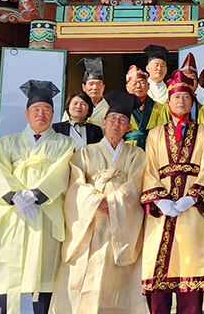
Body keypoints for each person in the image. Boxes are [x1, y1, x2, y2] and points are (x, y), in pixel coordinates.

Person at [0, 80, 74, 314]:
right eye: (36, 109)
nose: (42, 114)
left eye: (47, 110)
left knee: (43, 273)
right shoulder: (5, 143)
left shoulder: (65, 143)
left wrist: (36, 195)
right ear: (27, 113)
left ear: (53, 114)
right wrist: (16, 197)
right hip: (13, 215)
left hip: (44, 214)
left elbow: (61, 172)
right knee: (5, 270)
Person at [49, 90, 150, 314]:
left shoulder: (136, 155)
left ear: (128, 127)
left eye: (122, 120)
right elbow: (75, 184)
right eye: (112, 119)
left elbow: (136, 184)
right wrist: (96, 201)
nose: (117, 124)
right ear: (104, 122)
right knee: (85, 272)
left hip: (121, 223)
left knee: (119, 275)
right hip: (91, 222)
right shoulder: (85, 152)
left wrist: (113, 202)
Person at [140, 69, 204, 314]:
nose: (181, 101)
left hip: (191, 208)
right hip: (163, 208)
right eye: (176, 97)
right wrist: (160, 199)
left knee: (190, 269)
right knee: (158, 271)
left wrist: (192, 197)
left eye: (186, 97)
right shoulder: (154, 134)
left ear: (192, 101)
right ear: (168, 101)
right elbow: (149, 169)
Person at [124, 65, 170, 149]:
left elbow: (164, 133)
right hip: (128, 149)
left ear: (148, 85)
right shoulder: (122, 109)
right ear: (127, 88)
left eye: (142, 82)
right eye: (134, 83)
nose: (138, 86)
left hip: (153, 148)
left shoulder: (160, 108)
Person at [79, 56, 109, 126]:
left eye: (99, 84)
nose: (95, 87)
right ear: (84, 87)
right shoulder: (75, 106)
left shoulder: (110, 107)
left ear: (103, 87)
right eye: (91, 84)